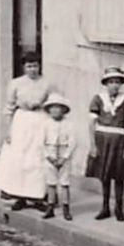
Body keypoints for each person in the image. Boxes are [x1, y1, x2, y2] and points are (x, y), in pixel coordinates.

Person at [0, 53, 54, 210]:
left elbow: (54, 104)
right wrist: (8, 130)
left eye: (35, 66)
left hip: (40, 120)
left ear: (40, 66)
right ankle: (20, 196)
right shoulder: (16, 83)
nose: (32, 69)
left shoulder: (47, 83)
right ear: (24, 68)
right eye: (29, 66)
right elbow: (9, 107)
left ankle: (38, 197)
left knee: (37, 158)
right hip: (21, 122)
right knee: (19, 158)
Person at [86, 66, 124, 221]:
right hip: (102, 140)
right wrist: (93, 145)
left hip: (120, 141)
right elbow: (91, 123)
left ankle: (119, 208)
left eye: (117, 82)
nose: (114, 85)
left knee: (119, 175)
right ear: (106, 83)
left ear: (121, 84)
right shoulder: (98, 98)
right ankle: (105, 207)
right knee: (105, 175)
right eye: (111, 82)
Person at [42, 92, 78, 220]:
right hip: (50, 154)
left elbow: (73, 142)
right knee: (51, 183)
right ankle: (50, 207)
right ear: (49, 110)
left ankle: (66, 208)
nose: (55, 110)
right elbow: (40, 142)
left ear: (63, 109)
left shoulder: (69, 124)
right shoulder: (45, 124)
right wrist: (48, 156)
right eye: (52, 107)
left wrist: (65, 157)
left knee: (64, 183)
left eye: (58, 107)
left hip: (64, 155)